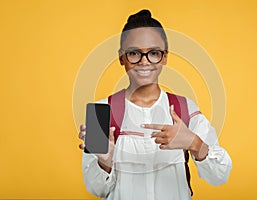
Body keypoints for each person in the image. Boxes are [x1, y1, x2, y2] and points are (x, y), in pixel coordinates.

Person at [78, 9, 232, 200]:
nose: (144, 62)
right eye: (134, 53)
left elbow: (220, 175)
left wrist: (194, 143)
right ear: (121, 57)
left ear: (165, 56)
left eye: (154, 53)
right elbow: (96, 189)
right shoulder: (100, 112)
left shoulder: (185, 109)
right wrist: (105, 161)